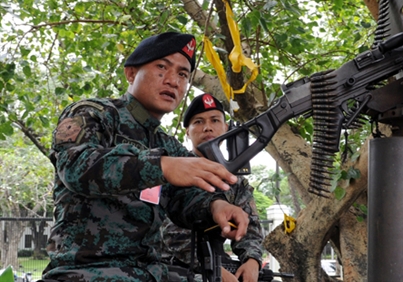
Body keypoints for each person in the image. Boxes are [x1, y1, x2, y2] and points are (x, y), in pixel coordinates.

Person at [42, 32, 250, 282]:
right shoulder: (94, 114)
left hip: (151, 273)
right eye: (162, 67)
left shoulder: (166, 144)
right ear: (131, 73)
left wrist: (216, 206)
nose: (173, 81)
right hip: (86, 271)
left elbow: (184, 197)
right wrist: (161, 166)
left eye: (183, 74)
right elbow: (77, 167)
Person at [161, 93, 263, 282]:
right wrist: (217, 272)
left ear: (225, 127)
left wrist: (252, 261)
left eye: (215, 120)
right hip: (174, 266)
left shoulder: (234, 180)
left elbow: (250, 228)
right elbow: (172, 236)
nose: (207, 127)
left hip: (217, 261)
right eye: (198, 122)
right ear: (187, 132)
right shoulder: (174, 168)